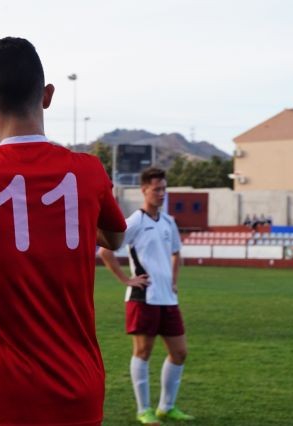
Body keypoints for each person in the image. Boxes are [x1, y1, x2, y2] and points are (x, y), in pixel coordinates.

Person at [0, 37, 126, 426]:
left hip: (0, 393)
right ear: (48, 95)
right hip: (79, 388)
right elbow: (115, 238)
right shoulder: (89, 171)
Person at [99, 167, 194, 424]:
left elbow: (176, 253)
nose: (161, 193)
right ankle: (144, 409)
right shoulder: (134, 221)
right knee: (143, 352)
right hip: (143, 297)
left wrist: (173, 281)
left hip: (168, 298)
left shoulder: (168, 222)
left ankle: (166, 406)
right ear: (144, 190)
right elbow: (106, 250)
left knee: (180, 352)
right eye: (157, 189)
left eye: (164, 188)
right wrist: (126, 279)